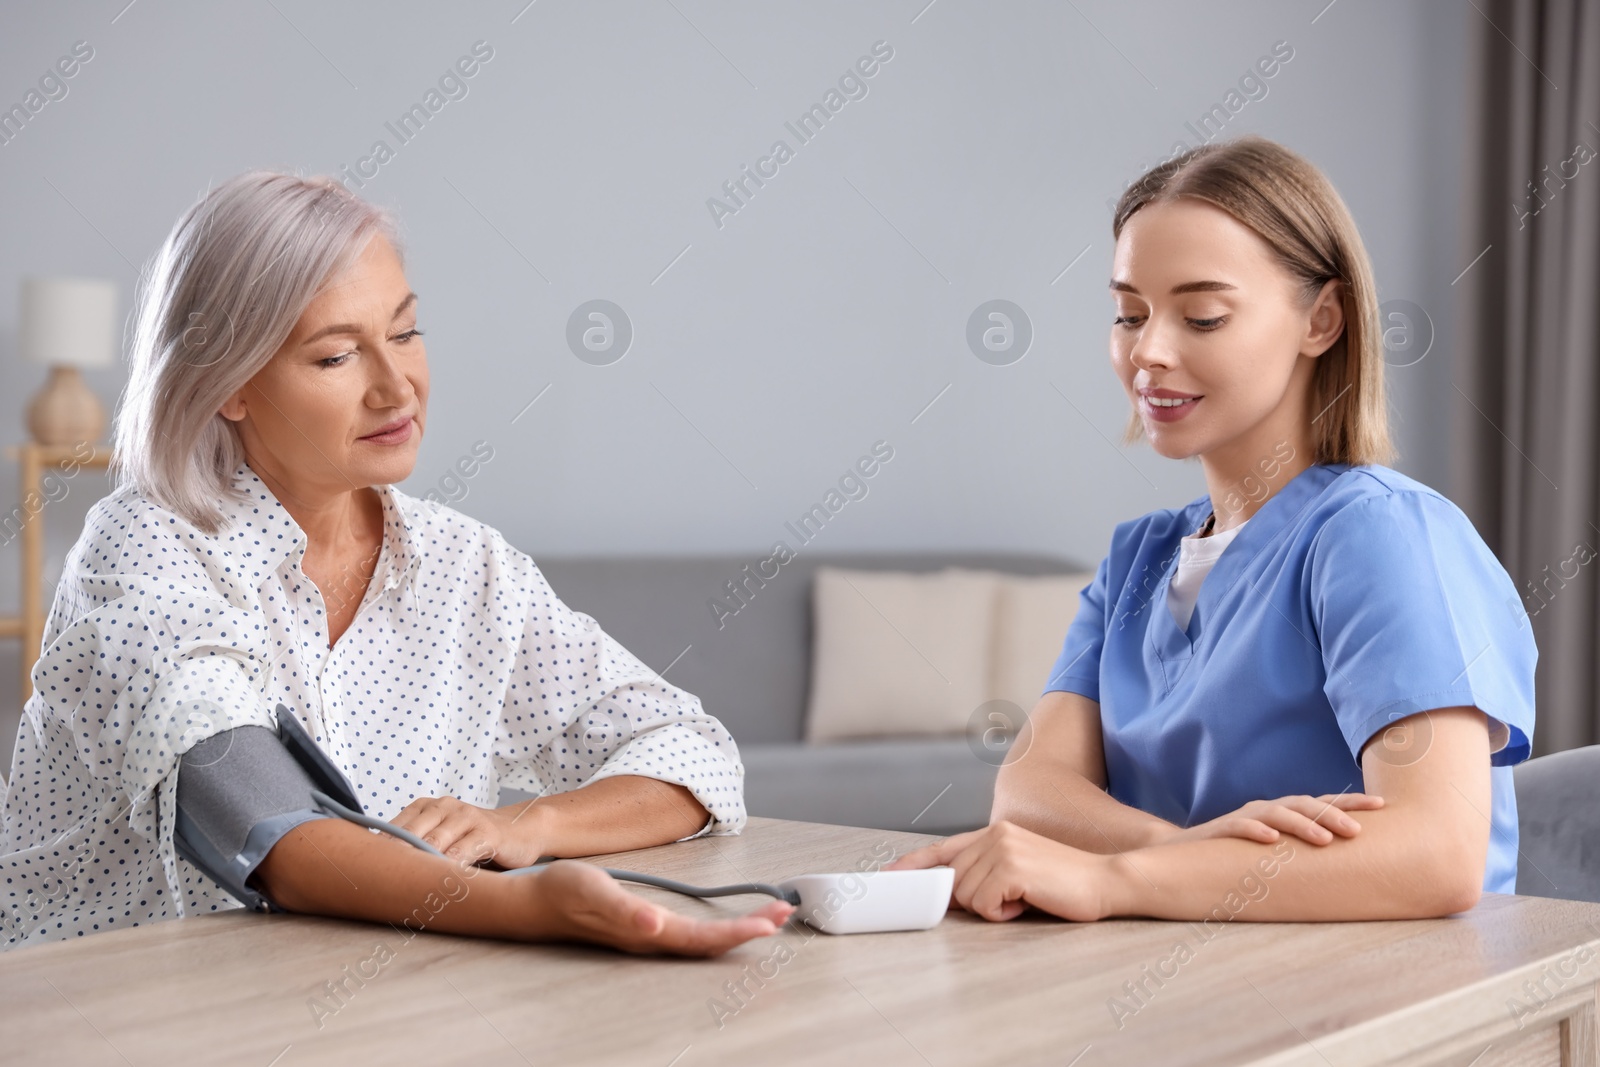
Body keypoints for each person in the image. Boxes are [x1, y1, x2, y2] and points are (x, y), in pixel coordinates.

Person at [0, 171, 790, 955]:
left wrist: (529, 824)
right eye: (338, 356)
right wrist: (523, 907)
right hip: (96, 1017)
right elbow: (266, 831)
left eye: (406, 334)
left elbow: (693, 752)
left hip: (364, 1005)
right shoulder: (142, 547)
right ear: (229, 385)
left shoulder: (469, 565)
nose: (396, 387)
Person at [891, 135, 1536, 924]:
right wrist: (1184, 854)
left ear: (1322, 319)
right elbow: (1027, 794)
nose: (1148, 352)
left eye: (1202, 316)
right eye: (1129, 313)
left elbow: (1437, 854)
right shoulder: (1140, 558)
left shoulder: (1381, 536)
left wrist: (1115, 877)